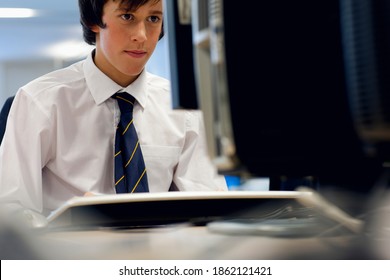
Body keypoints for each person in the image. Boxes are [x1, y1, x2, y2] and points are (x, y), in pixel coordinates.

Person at [0, 0, 227, 217]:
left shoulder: (183, 108)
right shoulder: (40, 101)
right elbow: (11, 209)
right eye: (127, 16)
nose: (142, 35)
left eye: (153, 18)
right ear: (94, 20)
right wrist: (71, 220)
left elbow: (207, 204)